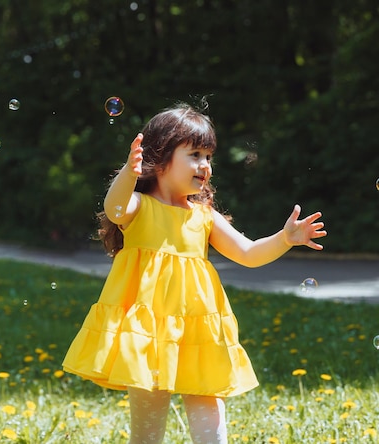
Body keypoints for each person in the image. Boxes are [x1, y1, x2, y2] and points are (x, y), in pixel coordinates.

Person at [62, 103, 327, 443]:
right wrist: (128, 173)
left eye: (209, 157)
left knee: (211, 424)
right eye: (195, 154)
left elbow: (247, 253)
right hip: (148, 333)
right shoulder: (140, 208)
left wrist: (285, 238)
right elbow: (114, 209)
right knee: (146, 431)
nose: (205, 165)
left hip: (198, 331)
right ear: (158, 159)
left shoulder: (204, 215)